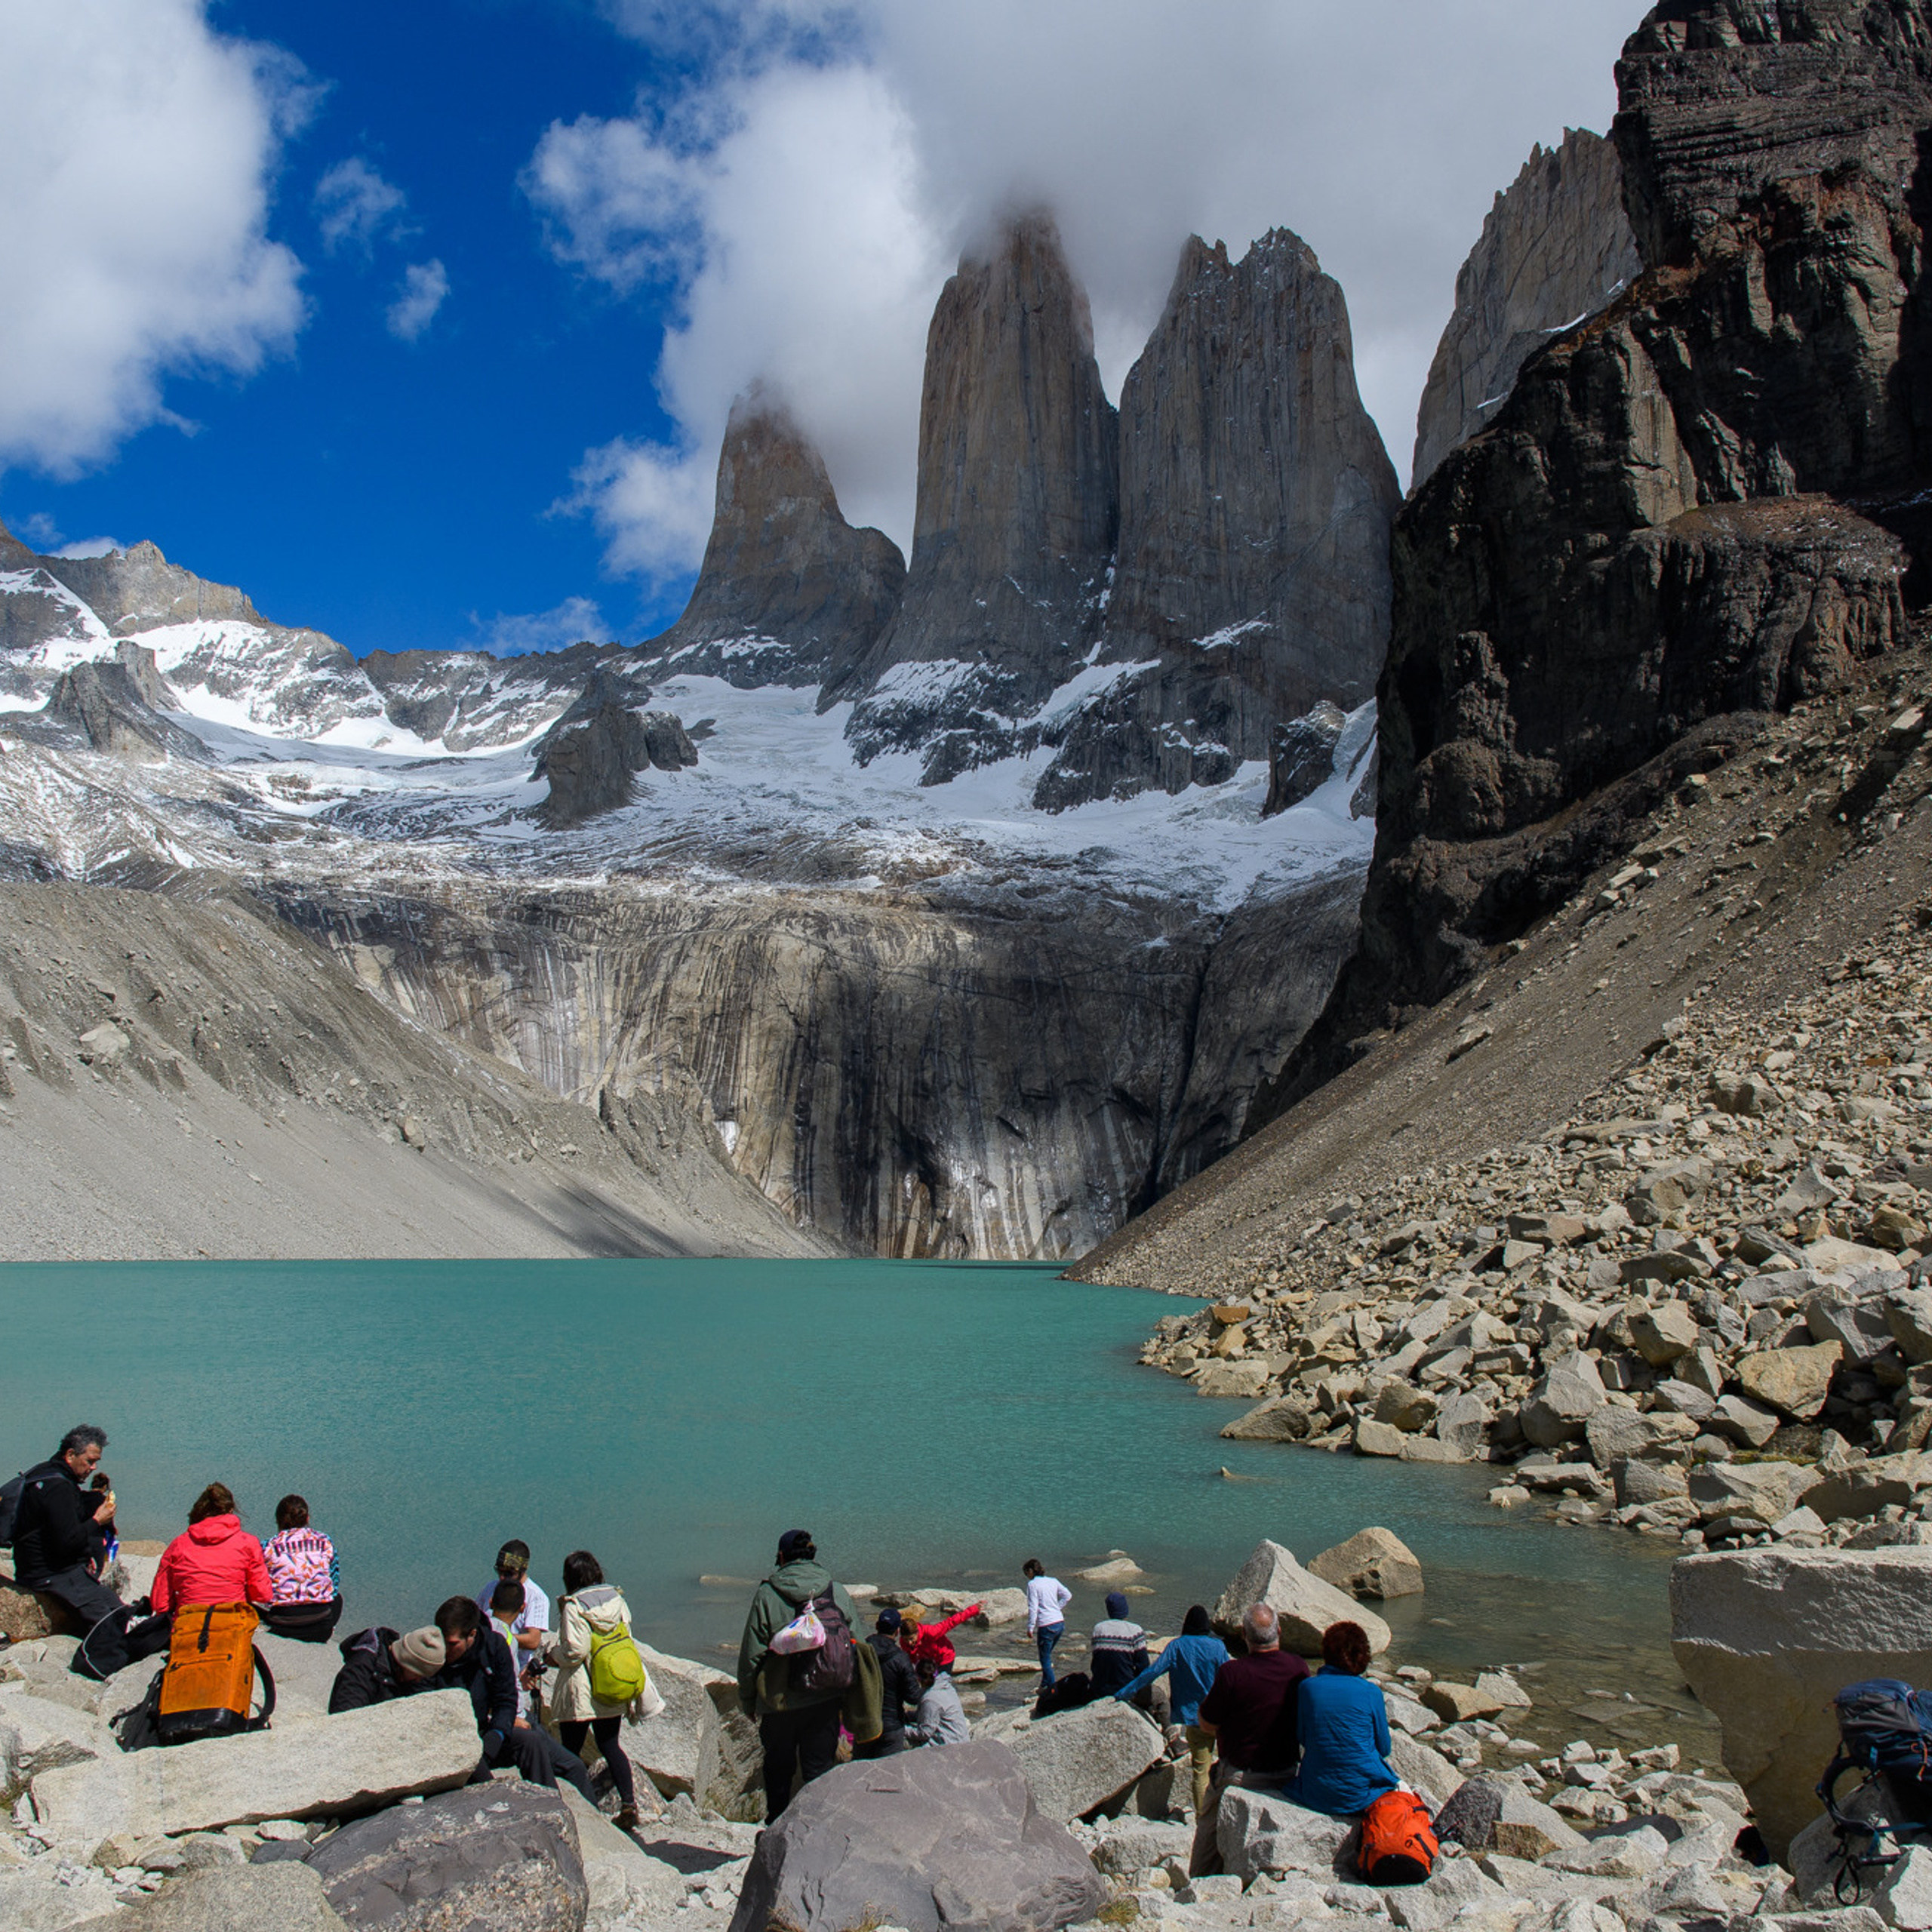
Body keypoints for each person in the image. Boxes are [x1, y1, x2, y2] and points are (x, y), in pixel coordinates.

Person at [736, 1529, 862, 1820]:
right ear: (813, 1555)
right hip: (826, 1697)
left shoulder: (768, 1595)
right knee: (819, 1773)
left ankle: (775, 1830)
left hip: (779, 1702)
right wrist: (853, 1699)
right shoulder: (836, 1591)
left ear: (781, 1557)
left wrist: (748, 1700)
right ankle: (814, 1834)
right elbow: (857, 1645)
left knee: (778, 1772)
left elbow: (751, 1656)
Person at [434, 1595, 595, 1801]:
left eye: (452, 1644)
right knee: (487, 1787)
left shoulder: (494, 1647)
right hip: (452, 1740)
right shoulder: (433, 1655)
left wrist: (496, 1736)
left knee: (530, 1741)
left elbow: (506, 1700)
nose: (445, 1649)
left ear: (472, 1635)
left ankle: (548, 1806)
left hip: (484, 1734)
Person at [1189, 1603, 1310, 1876]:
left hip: (1241, 1775)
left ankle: (1199, 1879)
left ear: (1244, 1634)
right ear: (1279, 1631)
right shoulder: (1299, 1668)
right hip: (1287, 1772)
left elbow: (1207, 1723)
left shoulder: (1232, 1673)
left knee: (1208, 1824)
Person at [546, 1549, 654, 1832]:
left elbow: (575, 1651)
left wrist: (552, 1656)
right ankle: (629, 1804)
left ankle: (568, 1806)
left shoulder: (574, 1606)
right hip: (611, 1682)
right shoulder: (616, 1599)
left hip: (582, 1688)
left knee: (570, 1750)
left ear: (569, 1578)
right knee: (610, 1745)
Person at [1113, 1605, 1229, 1816]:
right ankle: (1224, 1816)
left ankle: (1203, 1819)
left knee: (1201, 1772)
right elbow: (1230, 1679)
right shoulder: (1218, 1647)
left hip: (1195, 1719)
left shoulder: (1177, 1646)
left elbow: (1152, 1672)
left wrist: (1124, 1692)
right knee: (1228, 1769)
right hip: (1221, 1717)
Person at [11, 1426, 123, 1632]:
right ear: (70, 1455)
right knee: (111, 1623)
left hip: (38, 1567)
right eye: (90, 1461)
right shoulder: (59, 1488)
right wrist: (98, 1520)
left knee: (117, 1607)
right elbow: (68, 1541)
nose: (94, 1468)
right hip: (49, 1574)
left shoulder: (43, 1472)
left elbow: (58, 1531)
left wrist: (85, 1555)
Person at [1286, 1622, 1399, 1817]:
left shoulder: (1307, 1687)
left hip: (1315, 1792)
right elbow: (1384, 1748)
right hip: (1360, 1797)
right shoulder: (1371, 1692)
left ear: (1326, 1652)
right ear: (1363, 1656)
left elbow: (1303, 1737)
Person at [150, 1484, 272, 1614]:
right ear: (231, 1510)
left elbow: (159, 1603)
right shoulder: (248, 1543)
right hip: (233, 1621)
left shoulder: (178, 1544)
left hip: (190, 1622)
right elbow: (263, 1595)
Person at [260, 1495, 343, 1642]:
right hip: (321, 1626)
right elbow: (334, 1582)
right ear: (307, 1519)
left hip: (282, 1624)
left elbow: (259, 1582)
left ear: (278, 1520)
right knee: (337, 1598)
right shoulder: (324, 1541)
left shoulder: (268, 1546)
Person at [475, 1540, 550, 1682]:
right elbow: (475, 1617)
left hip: (517, 1672)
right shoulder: (491, 1588)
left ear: (522, 1571)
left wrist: (499, 1639)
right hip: (486, 1666)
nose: (502, 1577)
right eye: (500, 1571)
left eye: (509, 1573)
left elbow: (533, 1640)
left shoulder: (536, 1597)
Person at [328, 1625, 445, 1710]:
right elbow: (345, 1716)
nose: (419, 1680)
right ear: (406, 1662)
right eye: (418, 1675)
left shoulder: (403, 1675)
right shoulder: (362, 1670)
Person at [857, 1607, 923, 1758]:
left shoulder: (861, 1650)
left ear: (877, 1626)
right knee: (889, 1771)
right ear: (897, 1631)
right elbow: (913, 1697)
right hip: (891, 1725)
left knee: (860, 1769)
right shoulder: (901, 1658)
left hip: (865, 1722)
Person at [1089, 1592, 1151, 1698]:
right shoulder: (1135, 1630)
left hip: (1100, 1688)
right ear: (1125, 1609)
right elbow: (1143, 1665)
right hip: (1125, 1688)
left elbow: (1096, 1661)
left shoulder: (1098, 1629)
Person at [1023, 1559, 1071, 1687]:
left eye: (1026, 1573)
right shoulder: (1053, 1581)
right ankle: (1044, 1685)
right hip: (1059, 1623)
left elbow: (1033, 1607)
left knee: (1044, 1659)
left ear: (1031, 1571)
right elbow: (1068, 1595)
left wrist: (1030, 1627)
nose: (1027, 1576)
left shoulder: (1032, 1585)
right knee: (1047, 1655)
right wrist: (1057, 1608)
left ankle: (1053, 1689)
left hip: (1046, 1625)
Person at [906, 1657, 969, 1747]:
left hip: (951, 1745)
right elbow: (930, 1715)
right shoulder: (946, 1686)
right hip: (960, 1739)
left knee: (903, 1741)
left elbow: (925, 1733)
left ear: (918, 1679)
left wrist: (904, 1730)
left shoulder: (930, 1699)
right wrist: (909, 1715)